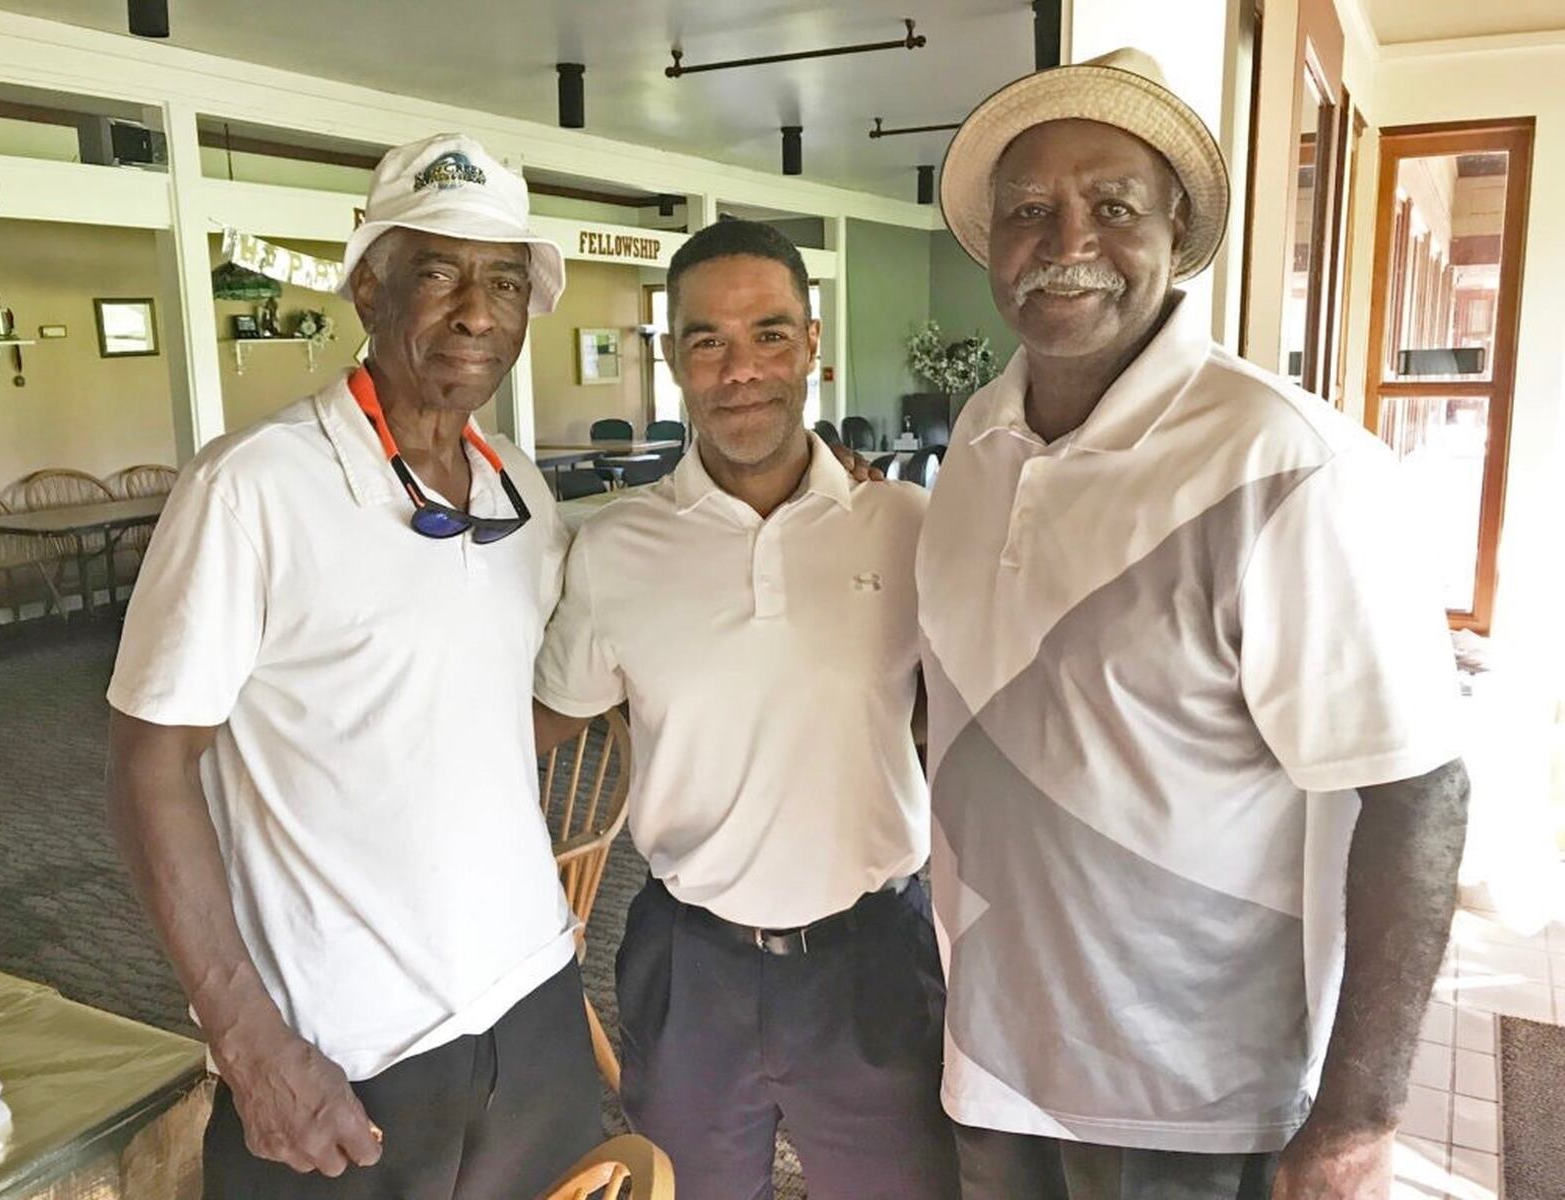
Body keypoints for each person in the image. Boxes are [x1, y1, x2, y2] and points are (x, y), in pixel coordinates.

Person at [922, 49, 1469, 1199]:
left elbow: (1417, 787)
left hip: (1182, 1098)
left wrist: (1359, 1116)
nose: (1065, 238)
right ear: (991, 241)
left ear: (1175, 232)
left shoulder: (1286, 463)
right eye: (1029, 209)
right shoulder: (977, 437)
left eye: (1112, 206)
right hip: (986, 1057)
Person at [106, 133, 602, 1200]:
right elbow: (150, 769)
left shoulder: (518, 485)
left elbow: (491, 713)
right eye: (437, 272)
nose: (476, 311)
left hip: (534, 1006)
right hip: (344, 1054)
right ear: (367, 284)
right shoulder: (252, 490)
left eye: (506, 282)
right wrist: (246, 1043)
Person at [533, 218, 959, 1200]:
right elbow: (539, 725)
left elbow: (962, 720)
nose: (740, 370)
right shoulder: (615, 550)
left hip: (873, 956)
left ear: (812, 342)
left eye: (769, 334)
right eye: (706, 342)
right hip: (693, 965)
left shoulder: (903, 527)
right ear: (674, 357)